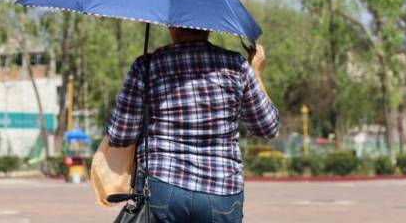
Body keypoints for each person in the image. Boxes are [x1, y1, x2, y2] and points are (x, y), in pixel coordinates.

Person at [106, 27, 280, 223]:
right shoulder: (236, 66)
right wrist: (255, 72)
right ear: (208, 27)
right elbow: (268, 127)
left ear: (171, 26)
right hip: (221, 190)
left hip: (162, 186)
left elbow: (120, 135)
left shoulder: (147, 66)